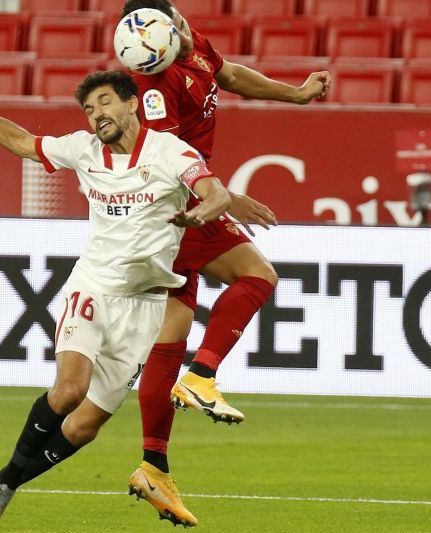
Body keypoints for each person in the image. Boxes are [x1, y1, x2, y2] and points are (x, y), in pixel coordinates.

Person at [0, 55, 232, 533]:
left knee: (84, 427)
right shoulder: (83, 149)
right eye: (89, 109)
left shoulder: (171, 153)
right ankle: (2, 493)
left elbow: (216, 192)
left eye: (105, 103)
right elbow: (21, 142)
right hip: (92, 288)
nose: (96, 115)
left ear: (133, 104)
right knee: (69, 390)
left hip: (146, 307)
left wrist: (202, 211)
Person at [120, 0, 333, 526]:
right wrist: (224, 197)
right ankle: (204, 374)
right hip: (176, 206)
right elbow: (160, 155)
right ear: (156, 40)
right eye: (176, 27)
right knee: (257, 275)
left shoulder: (196, 48)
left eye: (182, 21)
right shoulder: (153, 85)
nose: (188, 31)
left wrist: (297, 95)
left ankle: (153, 468)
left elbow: (231, 75)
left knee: (170, 332)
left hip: (186, 205)